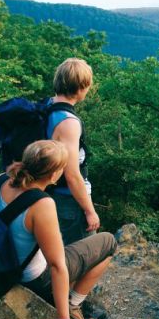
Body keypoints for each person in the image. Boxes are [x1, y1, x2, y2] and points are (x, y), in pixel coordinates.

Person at [0, 140, 117, 319]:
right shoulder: (41, 204)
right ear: (54, 174)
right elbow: (57, 266)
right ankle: (74, 305)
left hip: (2, 264)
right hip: (33, 277)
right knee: (108, 241)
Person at [46, 57, 100, 245]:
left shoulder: (46, 107)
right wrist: (89, 211)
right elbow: (72, 174)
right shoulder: (68, 122)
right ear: (81, 87)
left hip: (50, 194)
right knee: (86, 253)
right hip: (69, 200)